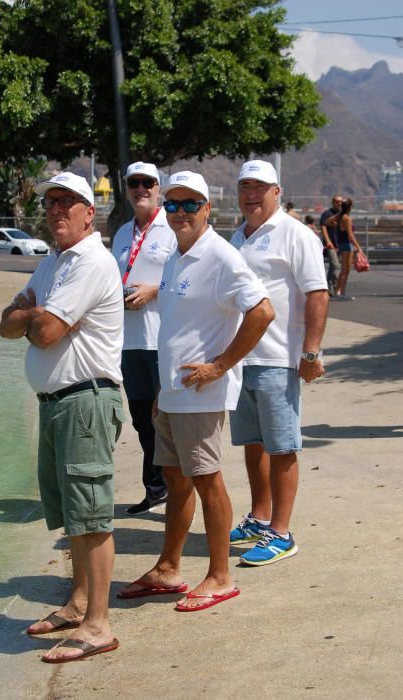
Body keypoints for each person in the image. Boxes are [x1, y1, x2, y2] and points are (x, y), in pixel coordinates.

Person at [118, 171, 274, 611]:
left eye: (190, 205)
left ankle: (220, 576)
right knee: (175, 479)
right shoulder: (175, 256)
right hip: (173, 394)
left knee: (206, 479)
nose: (180, 212)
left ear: (208, 208)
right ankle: (168, 567)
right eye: (173, 204)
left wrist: (219, 366)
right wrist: (162, 397)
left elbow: (262, 312)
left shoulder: (221, 257)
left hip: (200, 394)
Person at [0, 172, 125, 663]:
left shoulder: (91, 262)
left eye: (68, 202)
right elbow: (6, 326)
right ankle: (77, 604)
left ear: (88, 213)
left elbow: (45, 330)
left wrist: (32, 314)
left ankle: (98, 624)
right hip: (56, 404)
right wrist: (30, 316)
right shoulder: (53, 262)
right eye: (51, 202)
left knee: (91, 516)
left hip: (85, 402)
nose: (57, 210)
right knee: (73, 516)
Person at [230, 160, 329, 566]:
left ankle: (282, 533)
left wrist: (310, 352)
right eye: (245, 187)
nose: (252, 195)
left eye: (260, 187)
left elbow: (317, 293)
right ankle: (261, 515)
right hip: (242, 358)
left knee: (283, 446)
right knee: (254, 444)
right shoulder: (239, 235)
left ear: (277, 190)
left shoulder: (296, 234)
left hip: (277, 358)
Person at [112, 162, 175, 515]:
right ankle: (155, 489)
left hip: (160, 339)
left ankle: (175, 488)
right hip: (128, 340)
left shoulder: (171, 229)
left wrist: (154, 291)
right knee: (140, 418)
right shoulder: (122, 233)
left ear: (158, 187)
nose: (140, 189)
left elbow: (187, 279)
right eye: (134, 183)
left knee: (164, 417)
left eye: (147, 183)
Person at [332, 197, 363, 299]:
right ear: (350, 207)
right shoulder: (347, 218)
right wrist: (358, 247)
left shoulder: (340, 216)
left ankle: (341, 291)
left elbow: (328, 221)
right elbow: (350, 235)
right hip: (347, 244)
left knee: (345, 270)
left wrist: (336, 226)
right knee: (345, 270)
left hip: (341, 243)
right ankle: (339, 291)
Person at [320, 195, 342, 296]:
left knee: (335, 266)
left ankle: (331, 287)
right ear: (333, 202)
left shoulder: (342, 215)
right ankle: (331, 285)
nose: (339, 203)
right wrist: (328, 241)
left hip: (340, 243)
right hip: (331, 244)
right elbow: (323, 226)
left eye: (341, 202)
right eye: (337, 201)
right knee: (335, 265)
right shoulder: (327, 214)